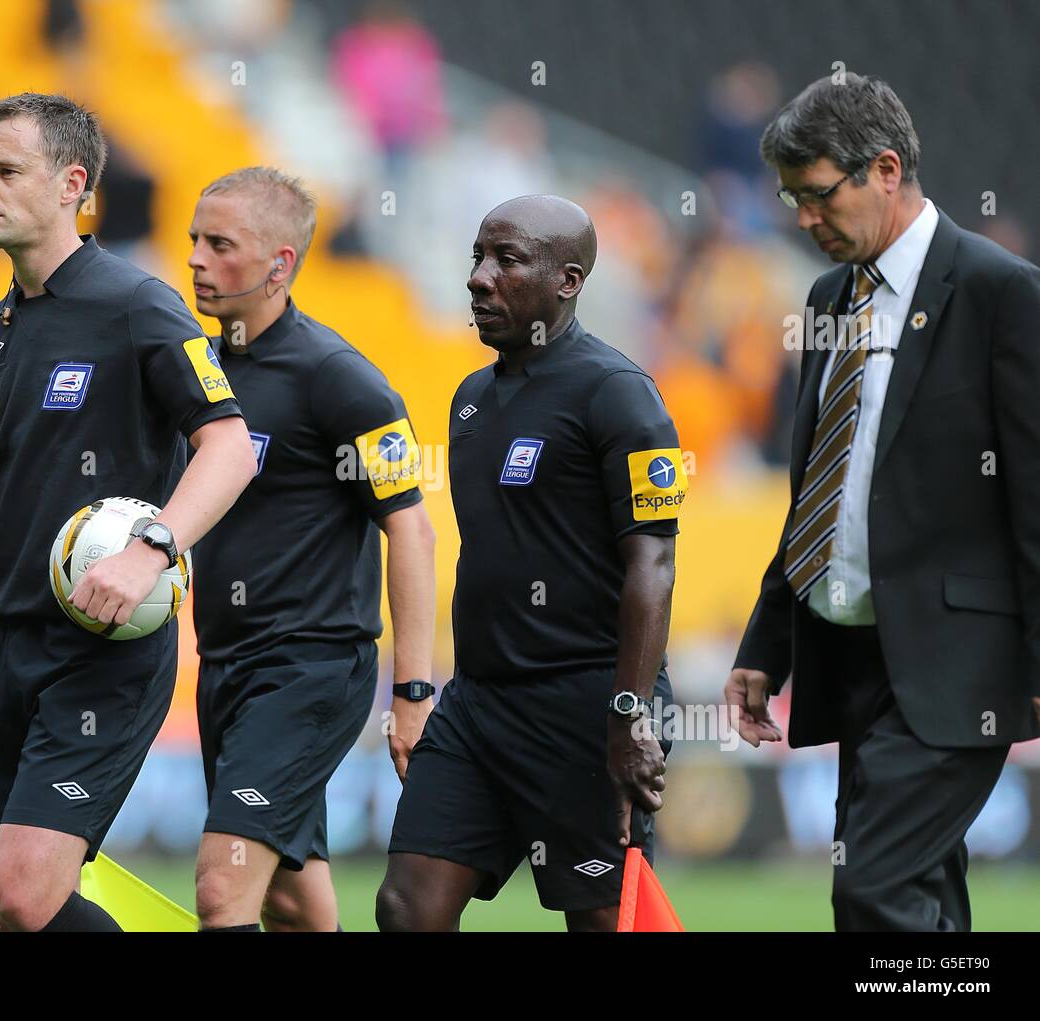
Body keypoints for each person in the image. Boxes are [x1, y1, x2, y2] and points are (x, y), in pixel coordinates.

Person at [0, 93, 256, 932]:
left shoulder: (137, 304)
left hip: (99, 648)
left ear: (72, 184)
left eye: (5, 170)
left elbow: (232, 446)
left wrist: (153, 548)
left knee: (25, 894)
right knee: (23, 909)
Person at [725, 73, 1040, 931]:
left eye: (818, 195)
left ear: (887, 170)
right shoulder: (828, 300)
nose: (803, 219)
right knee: (920, 895)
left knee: (870, 889)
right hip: (851, 655)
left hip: (956, 664)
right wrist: (768, 642)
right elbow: (818, 491)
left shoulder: (1000, 292)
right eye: (791, 199)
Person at [378, 195, 686, 931]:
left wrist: (627, 712)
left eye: (506, 260)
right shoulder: (470, 400)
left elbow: (654, 562)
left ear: (568, 280)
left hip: (586, 704)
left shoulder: (618, 394)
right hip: (480, 705)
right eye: (478, 257)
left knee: (598, 920)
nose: (480, 278)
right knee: (405, 907)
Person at [186, 167, 436, 931]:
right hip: (224, 665)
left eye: (219, 244)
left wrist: (414, 692)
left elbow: (412, 527)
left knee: (222, 888)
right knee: (290, 897)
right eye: (193, 239)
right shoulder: (198, 367)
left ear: (279, 263)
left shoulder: (341, 380)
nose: (195, 257)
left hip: (308, 669)